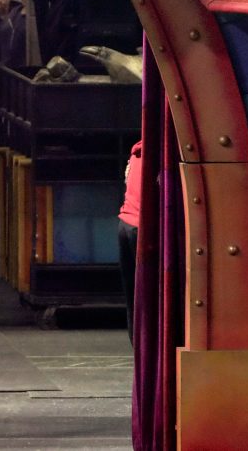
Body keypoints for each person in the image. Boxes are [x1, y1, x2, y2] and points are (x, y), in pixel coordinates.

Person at [118, 139, 142, 345]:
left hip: (125, 222)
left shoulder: (136, 153)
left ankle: (138, 350)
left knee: (132, 298)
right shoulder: (160, 158)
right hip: (140, 227)